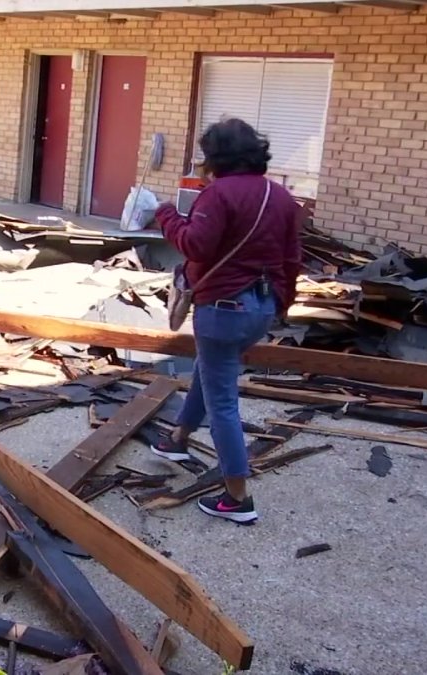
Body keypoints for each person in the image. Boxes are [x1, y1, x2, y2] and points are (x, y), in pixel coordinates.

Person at [150, 118, 303, 524]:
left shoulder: (218, 195)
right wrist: (281, 305)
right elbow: (292, 260)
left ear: (215, 157)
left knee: (223, 402)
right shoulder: (283, 196)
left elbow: (194, 245)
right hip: (261, 307)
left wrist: (165, 214)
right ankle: (178, 439)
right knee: (211, 367)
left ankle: (237, 498)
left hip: (222, 309)